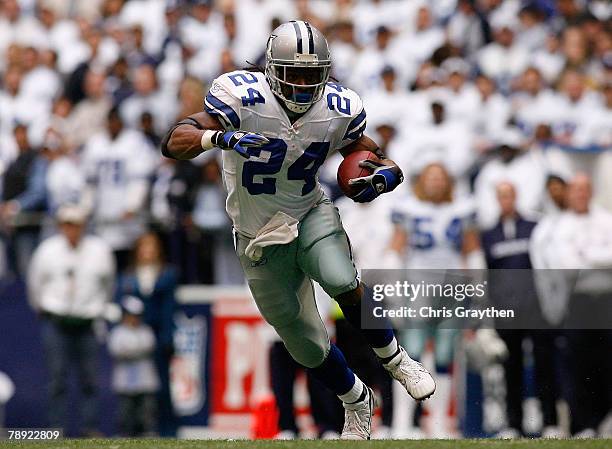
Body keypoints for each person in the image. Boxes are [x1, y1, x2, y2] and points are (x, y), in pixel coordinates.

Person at [161, 21, 436, 440]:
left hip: (309, 213)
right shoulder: (242, 97)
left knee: (342, 278)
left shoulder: (337, 107)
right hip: (257, 237)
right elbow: (175, 140)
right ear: (273, 69)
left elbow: (366, 152)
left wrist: (384, 174)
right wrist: (224, 139)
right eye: (296, 73)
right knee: (304, 345)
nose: (304, 84)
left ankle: (397, 361)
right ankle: (356, 399)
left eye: (313, 74)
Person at [389, 163, 484, 438]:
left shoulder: (461, 209)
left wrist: (479, 290)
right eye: (431, 177)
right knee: (410, 356)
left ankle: (441, 423)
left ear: (448, 182)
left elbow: (472, 250)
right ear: (422, 181)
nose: (436, 182)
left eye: (441, 177)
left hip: (451, 290)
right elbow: (395, 248)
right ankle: (402, 423)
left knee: (444, 356)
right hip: (416, 288)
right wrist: (393, 291)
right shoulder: (409, 209)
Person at [27, 204, 115, 436]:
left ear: (83, 225)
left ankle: (90, 427)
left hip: (87, 322)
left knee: (90, 379)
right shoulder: (47, 251)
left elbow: (108, 286)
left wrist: (97, 309)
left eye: (75, 224)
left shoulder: (99, 250)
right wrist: (45, 308)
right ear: (60, 226)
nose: (71, 229)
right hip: (56, 320)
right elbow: (34, 285)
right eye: (67, 224)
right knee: (57, 379)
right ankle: (56, 428)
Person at [116, 231, 177, 437]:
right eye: (144, 246)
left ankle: (167, 430)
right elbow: (121, 307)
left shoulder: (166, 274)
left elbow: (169, 309)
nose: (148, 251)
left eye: (152, 246)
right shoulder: (128, 276)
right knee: (132, 388)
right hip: (135, 337)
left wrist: (168, 337)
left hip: (158, 335)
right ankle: (133, 430)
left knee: (162, 386)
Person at [108, 295, 160, 437]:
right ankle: (125, 434)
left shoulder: (145, 331)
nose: (134, 319)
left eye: (137, 316)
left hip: (145, 380)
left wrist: (130, 351)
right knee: (126, 411)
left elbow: (148, 346)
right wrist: (135, 351)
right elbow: (117, 350)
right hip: (125, 381)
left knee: (146, 411)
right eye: (131, 315)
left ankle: (147, 433)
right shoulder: (118, 332)